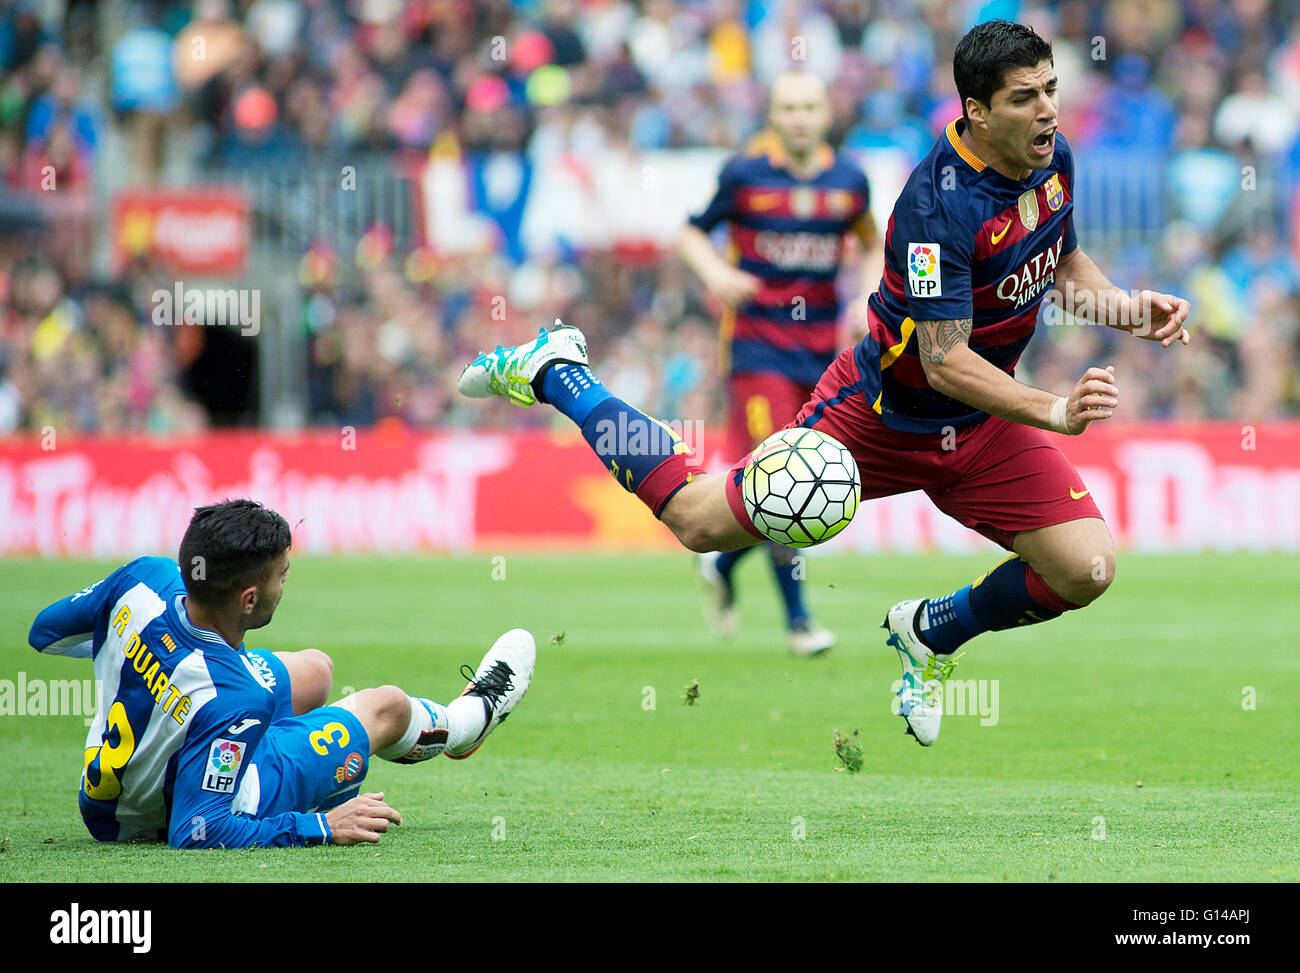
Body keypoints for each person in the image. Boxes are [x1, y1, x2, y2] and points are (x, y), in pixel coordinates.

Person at [458, 20, 1190, 747]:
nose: (1049, 110)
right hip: (879, 417)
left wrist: (1127, 309)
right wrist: (1054, 409)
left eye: (1052, 89)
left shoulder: (1052, 157)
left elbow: (1062, 265)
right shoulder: (934, 208)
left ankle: (930, 631)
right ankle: (559, 370)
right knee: (697, 521)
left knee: (1086, 568)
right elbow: (943, 360)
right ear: (976, 110)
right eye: (1026, 96)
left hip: (978, 423)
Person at [28, 499, 534, 847]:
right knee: (387, 706)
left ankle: (215, 737)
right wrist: (321, 827)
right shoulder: (234, 698)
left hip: (103, 799)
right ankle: (468, 723)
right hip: (155, 814)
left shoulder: (142, 578)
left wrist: (147, 657)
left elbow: (46, 634)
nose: (285, 584)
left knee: (317, 671)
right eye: (282, 576)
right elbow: (199, 829)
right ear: (249, 598)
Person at [676, 69, 883, 656]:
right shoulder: (743, 176)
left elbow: (872, 244)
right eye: (788, 107)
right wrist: (718, 273)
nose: (799, 117)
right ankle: (799, 623)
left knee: (798, 479)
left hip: (821, 355)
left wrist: (861, 300)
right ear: (772, 114)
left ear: (825, 114)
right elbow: (690, 235)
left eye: (809, 106)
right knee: (779, 473)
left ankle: (723, 561)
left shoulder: (849, 181)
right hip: (756, 347)